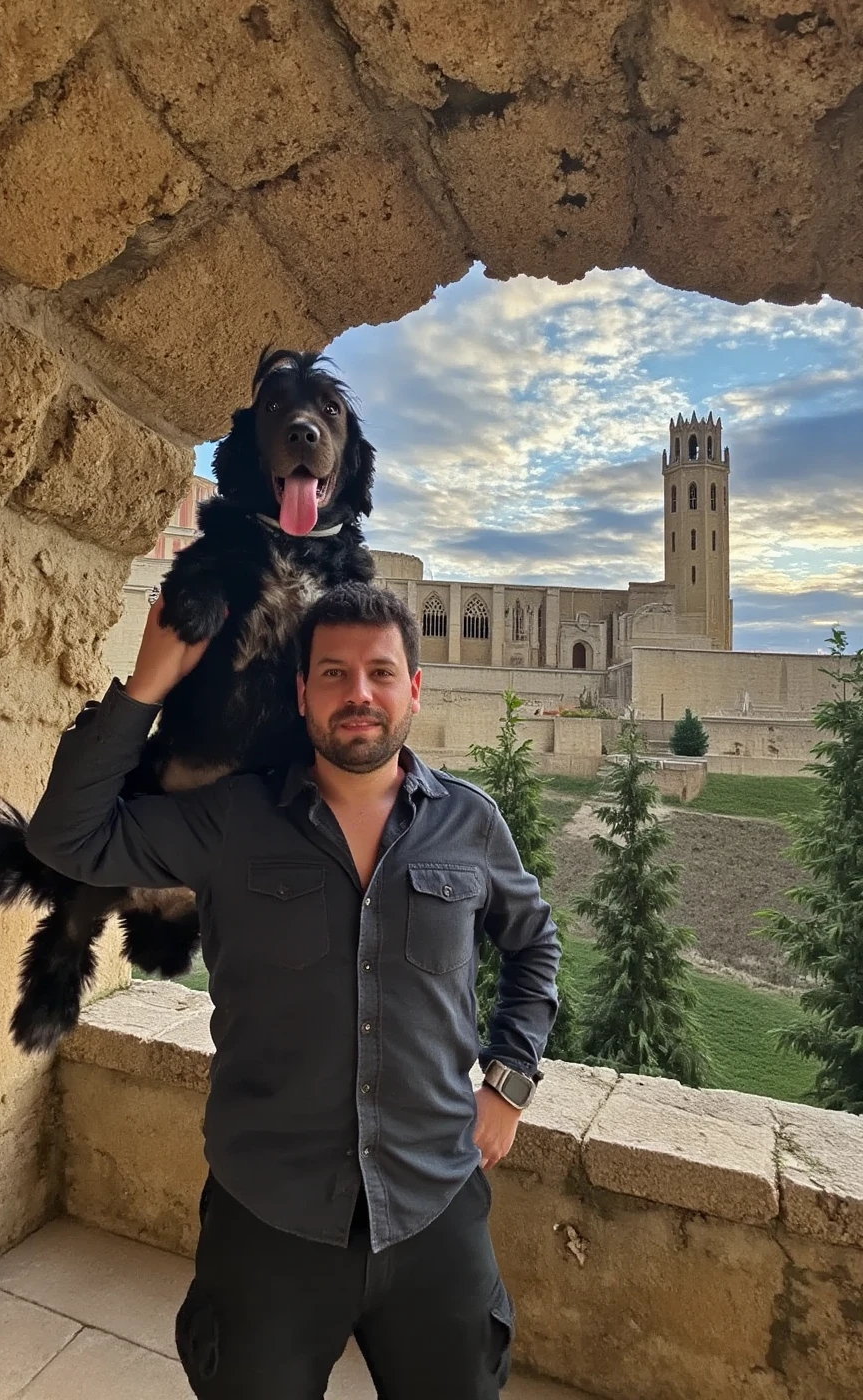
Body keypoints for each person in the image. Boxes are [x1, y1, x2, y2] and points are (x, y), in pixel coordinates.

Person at [28, 583, 561, 1399]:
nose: (359, 694)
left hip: (435, 1212)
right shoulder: (229, 821)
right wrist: (145, 686)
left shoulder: (470, 822)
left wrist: (510, 1080)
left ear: (414, 689)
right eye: (334, 674)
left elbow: (534, 946)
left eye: (381, 673)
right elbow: (66, 838)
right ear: (301, 692)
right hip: (268, 1220)